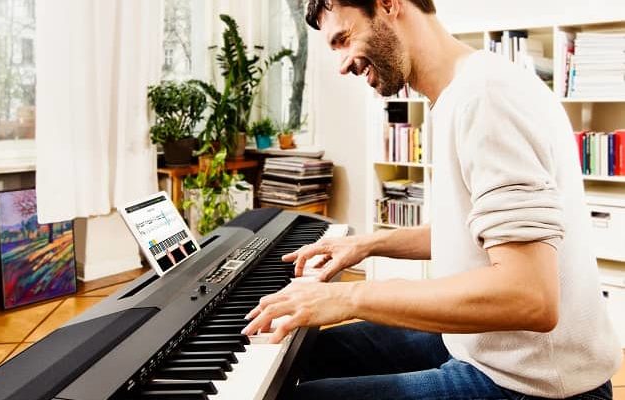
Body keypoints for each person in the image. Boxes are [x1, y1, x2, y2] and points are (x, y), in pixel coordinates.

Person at [240, 0, 623, 398]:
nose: (342, 64)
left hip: (536, 382)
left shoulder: (486, 98)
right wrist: (367, 244)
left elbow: (530, 296)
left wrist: (348, 295)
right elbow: (478, 234)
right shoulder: (464, 90)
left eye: (344, 38)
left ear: (389, 5)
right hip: (492, 349)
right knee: (304, 350)